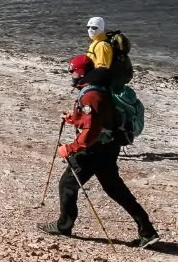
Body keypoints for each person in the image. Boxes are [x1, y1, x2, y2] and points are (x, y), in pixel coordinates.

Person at [41, 55, 158, 247]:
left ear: (80, 72)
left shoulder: (91, 95)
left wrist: (69, 149)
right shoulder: (100, 88)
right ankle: (148, 231)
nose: (71, 75)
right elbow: (98, 120)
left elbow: (92, 131)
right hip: (109, 147)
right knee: (116, 190)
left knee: (67, 184)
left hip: (95, 150)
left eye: (72, 71)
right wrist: (72, 119)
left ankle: (64, 226)